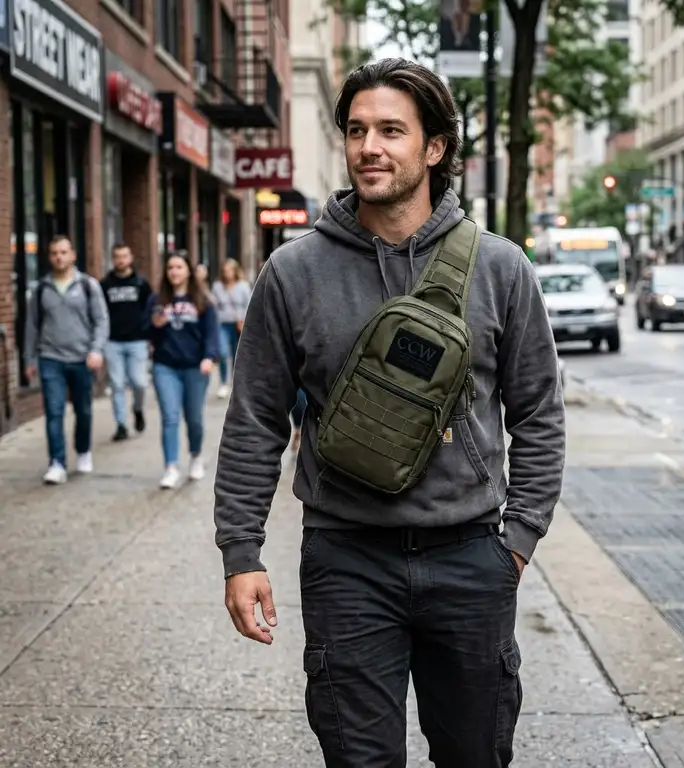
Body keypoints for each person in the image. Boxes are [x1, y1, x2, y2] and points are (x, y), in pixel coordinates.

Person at [214, 58, 565, 767]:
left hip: (471, 556)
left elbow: (539, 414)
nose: (369, 146)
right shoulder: (295, 270)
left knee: (475, 754)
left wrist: (516, 542)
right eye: (356, 129)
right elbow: (255, 417)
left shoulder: (500, 268)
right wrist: (241, 551)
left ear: (434, 148)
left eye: (391, 130)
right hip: (346, 558)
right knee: (359, 759)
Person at [24, 235, 110, 485]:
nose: (59, 257)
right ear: (49, 257)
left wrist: (96, 350)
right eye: (54, 253)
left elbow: (101, 320)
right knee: (53, 411)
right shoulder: (40, 289)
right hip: (50, 358)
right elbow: (31, 327)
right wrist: (30, 359)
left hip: (82, 358)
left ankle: (83, 450)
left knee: (83, 410)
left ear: (73, 255)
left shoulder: (87, 285)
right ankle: (57, 463)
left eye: (63, 252)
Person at [147, 252, 220, 490]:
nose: (174, 272)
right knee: (170, 417)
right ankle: (171, 467)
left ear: (188, 270)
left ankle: (196, 456)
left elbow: (211, 333)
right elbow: (144, 329)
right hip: (165, 366)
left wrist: (210, 357)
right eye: (170, 268)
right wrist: (154, 326)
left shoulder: (203, 301)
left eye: (178, 267)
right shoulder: (158, 300)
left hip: (195, 367)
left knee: (194, 419)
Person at [100, 243, 152, 441]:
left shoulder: (141, 284)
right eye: (117, 256)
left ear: (130, 258)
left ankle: (138, 409)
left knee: (139, 382)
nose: (121, 260)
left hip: (137, 340)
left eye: (124, 256)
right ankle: (121, 424)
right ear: (113, 260)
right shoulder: (105, 285)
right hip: (113, 341)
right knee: (116, 384)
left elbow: (149, 309)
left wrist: (148, 335)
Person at [210, 258, 251, 399]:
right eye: (224, 270)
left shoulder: (243, 286)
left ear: (235, 271)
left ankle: (236, 384)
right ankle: (223, 383)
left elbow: (250, 304)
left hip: (239, 324)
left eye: (229, 270)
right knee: (222, 352)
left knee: (237, 355)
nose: (227, 273)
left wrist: (244, 320)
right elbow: (213, 307)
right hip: (222, 324)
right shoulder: (217, 286)